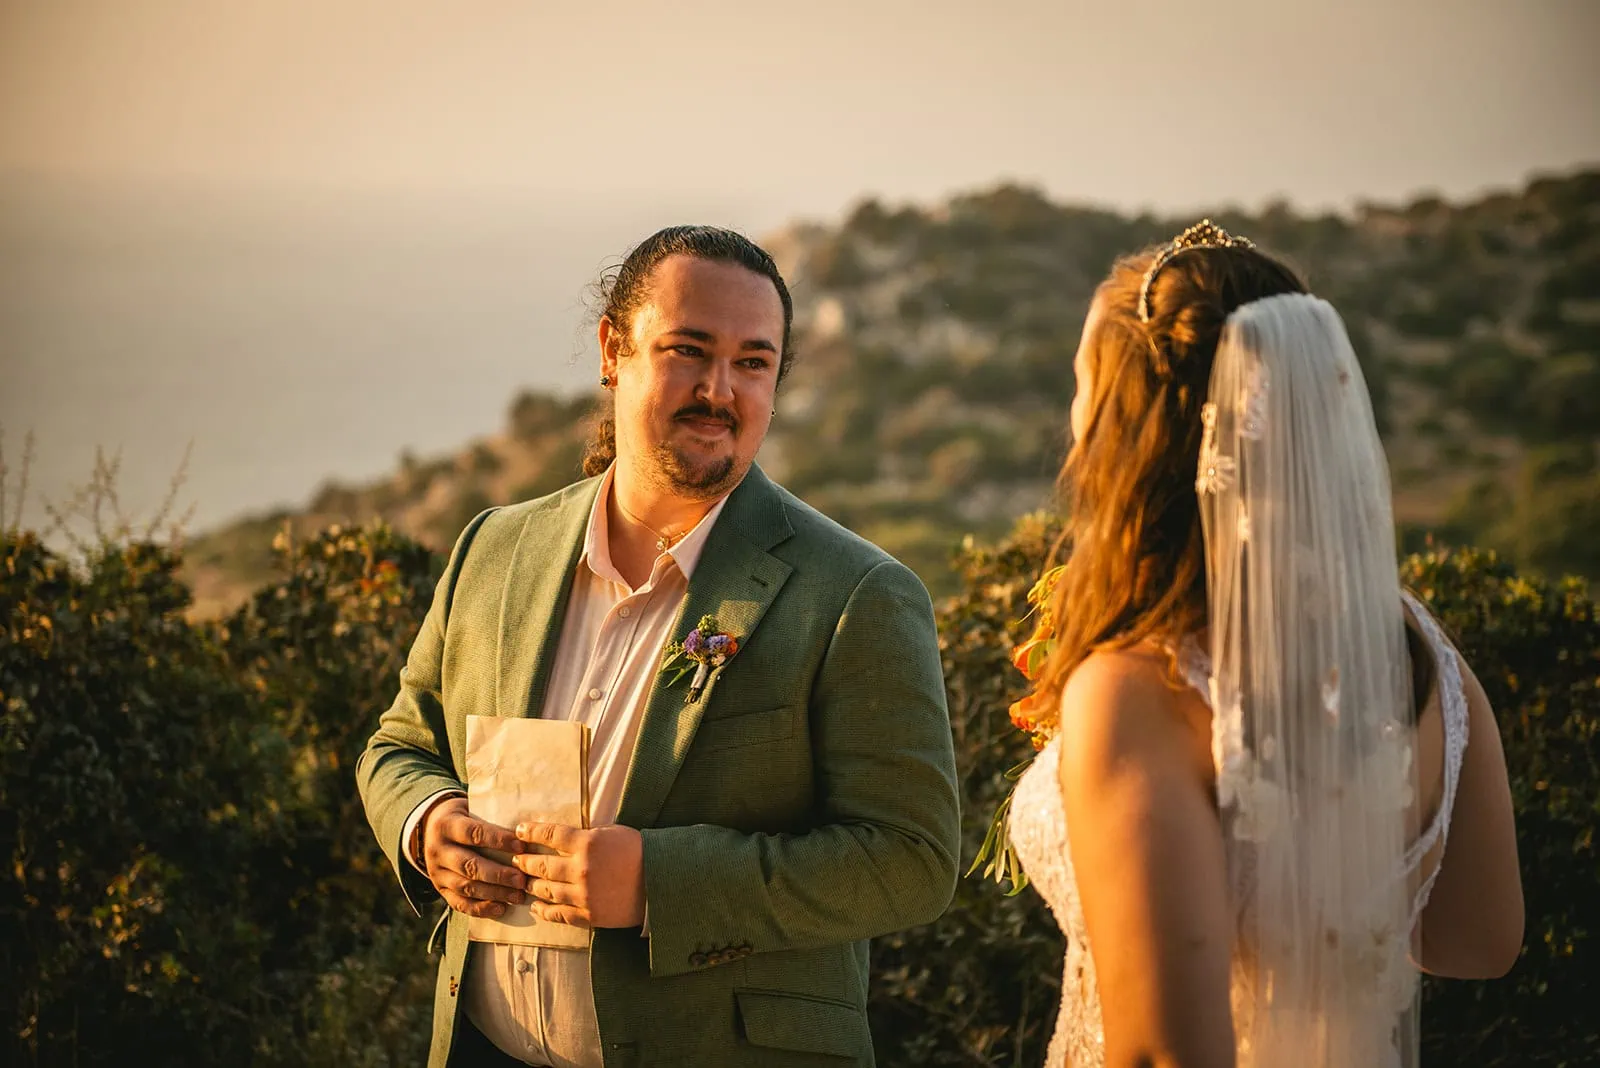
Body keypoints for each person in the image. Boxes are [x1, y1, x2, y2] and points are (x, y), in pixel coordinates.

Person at [355, 225, 961, 1068]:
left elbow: (913, 860)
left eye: (753, 362)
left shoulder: (857, 594)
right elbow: (399, 743)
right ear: (614, 349)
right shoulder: (495, 548)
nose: (720, 390)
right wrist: (428, 824)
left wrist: (657, 882)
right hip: (481, 1046)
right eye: (689, 350)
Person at [1005, 222, 1524, 1067]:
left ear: (1131, 428)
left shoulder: (1139, 690)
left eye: (1084, 387)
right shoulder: (1416, 649)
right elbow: (1479, 941)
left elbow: (1160, 1054)